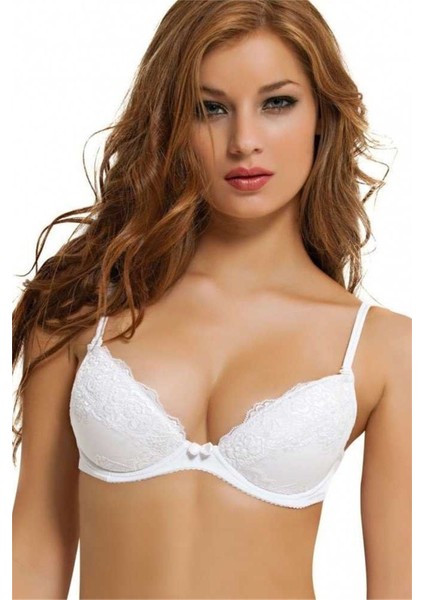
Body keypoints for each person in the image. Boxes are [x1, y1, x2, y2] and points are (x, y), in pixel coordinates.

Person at [12, 1, 411, 598]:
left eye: (277, 103)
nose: (244, 142)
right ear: (171, 122)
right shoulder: (79, 309)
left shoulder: (383, 347)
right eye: (210, 109)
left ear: (322, 116)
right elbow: (34, 552)